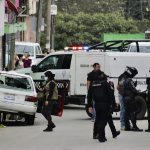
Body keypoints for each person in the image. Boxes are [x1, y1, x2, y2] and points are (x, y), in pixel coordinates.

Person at [87, 75, 117, 142]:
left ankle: (99, 135)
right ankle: (101, 137)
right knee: (103, 121)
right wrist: (113, 105)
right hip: (105, 104)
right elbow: (111, 94)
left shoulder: (93, 84)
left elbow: (89, 95)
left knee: (98, 119)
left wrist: (89, 105)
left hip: (97, 104)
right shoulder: (105, 84)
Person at [123, 66, 142, 131]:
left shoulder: (125, 80)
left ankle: (127, 127)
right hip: (130, 99)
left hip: (125, 99)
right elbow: (133, 90)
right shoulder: (129, 80)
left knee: (127, 113)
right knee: (134, 111)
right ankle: (134, 126)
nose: (134, 75)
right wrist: (140, 93)